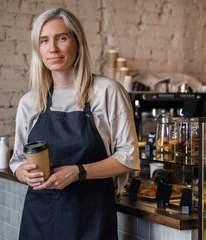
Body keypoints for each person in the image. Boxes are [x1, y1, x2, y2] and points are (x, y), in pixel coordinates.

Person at [9, 8, 140, 240]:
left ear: (78, 43)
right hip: (39, 218)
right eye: (44, 40)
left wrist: (79, 172)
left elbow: (128, 158)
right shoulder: (30, 102)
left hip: (91, 220)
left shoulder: (107, 92)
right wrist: (23, 173)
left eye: (61, 38)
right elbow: (18, 161)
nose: (53, 48)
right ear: (38, 49)